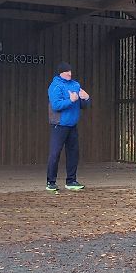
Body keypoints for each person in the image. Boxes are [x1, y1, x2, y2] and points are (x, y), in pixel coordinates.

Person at [45, 63, 90, 194]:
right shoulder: (55, 86)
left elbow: (83, 105)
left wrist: (86, 99)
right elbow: (56, 105)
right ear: (60, 73)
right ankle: (51, 182)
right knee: (55, 153)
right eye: (66, 72)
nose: (69, 74)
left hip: (72, 125)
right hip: (59, 124)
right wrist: (71, 100)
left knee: (73, 154)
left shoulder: (76, 85)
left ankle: (71, 181)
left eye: (70, 71)